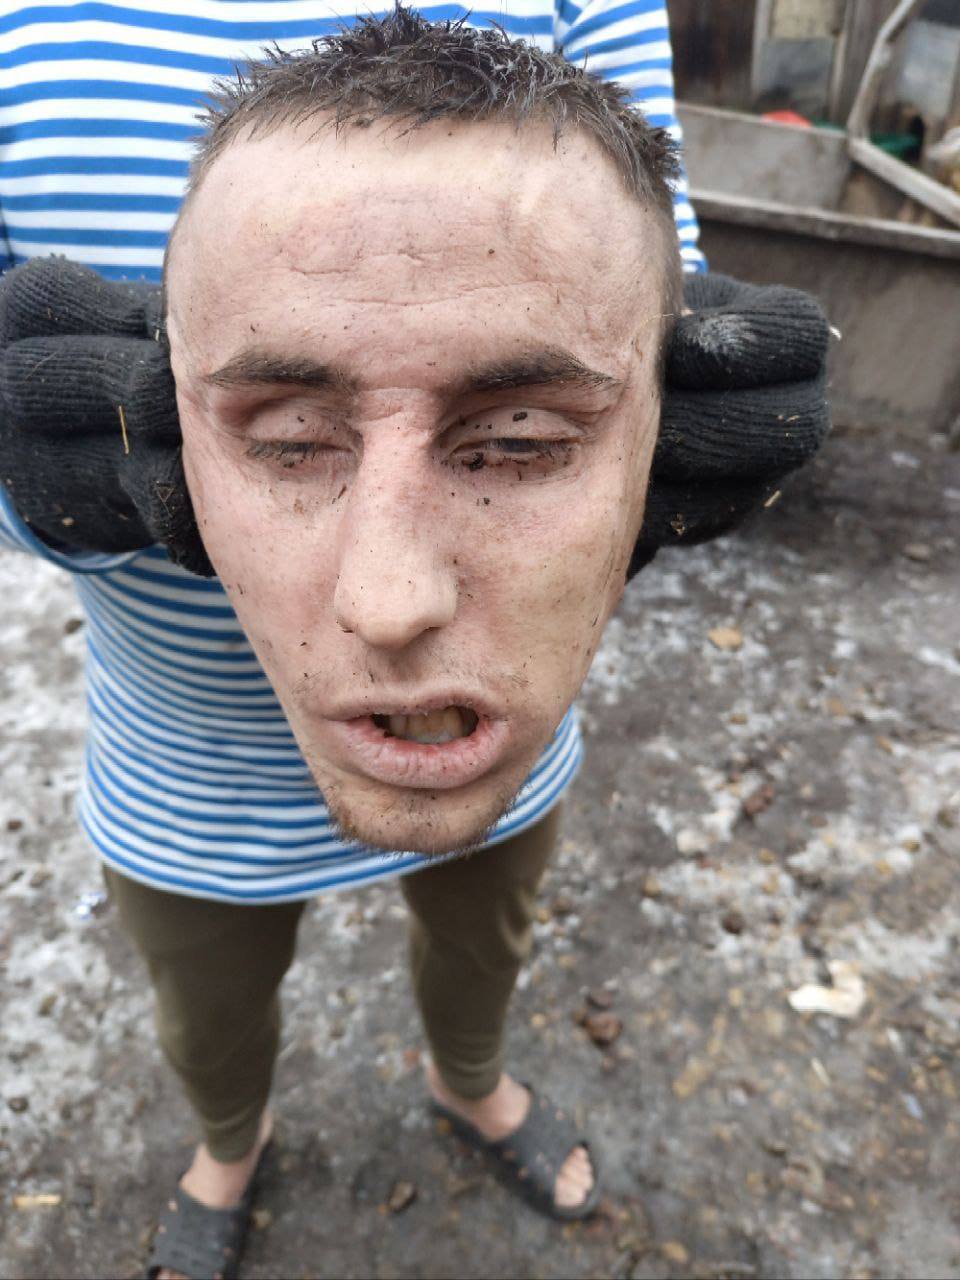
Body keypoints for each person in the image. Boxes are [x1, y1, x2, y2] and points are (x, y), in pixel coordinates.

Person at [0, 7, 829, 1278]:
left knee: (483, 942)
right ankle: (228, 1138)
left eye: (518, 441)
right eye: (289, 439)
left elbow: (653, 299)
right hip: (186, 758)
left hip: (502, 723)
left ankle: (471, 1077)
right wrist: (39, 484)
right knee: (208, 1005)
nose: (389, 603)